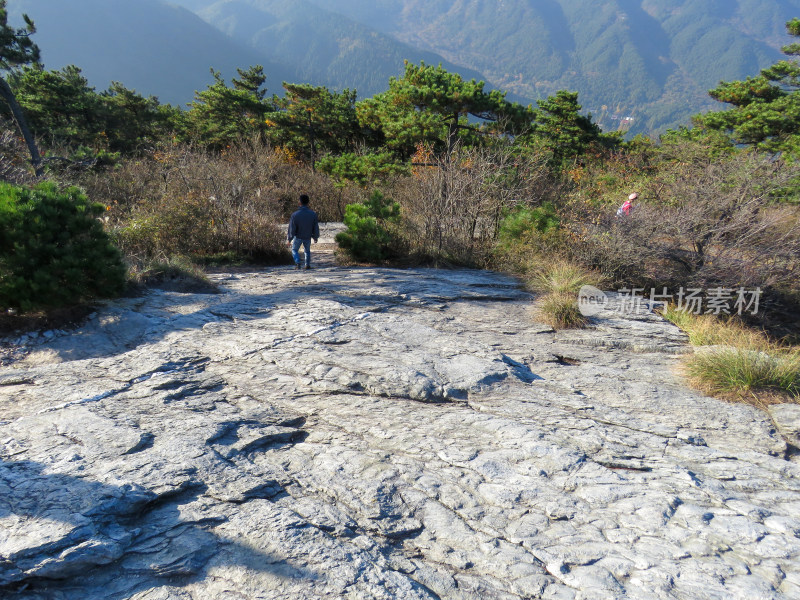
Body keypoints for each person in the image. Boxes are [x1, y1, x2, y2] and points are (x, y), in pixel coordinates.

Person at [287, 194, 320, 269]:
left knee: (294, 250)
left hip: (298, 236)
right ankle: (307, 265)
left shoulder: (295, 215)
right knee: (307, 251)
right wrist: (315, 237)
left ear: (300, 203)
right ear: (308, 203)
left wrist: (289, 239)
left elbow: (292, 228)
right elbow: (315, 227)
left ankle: (297, 262)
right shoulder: (313, 214)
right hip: (308, 236)